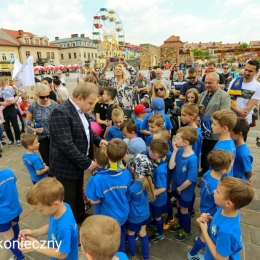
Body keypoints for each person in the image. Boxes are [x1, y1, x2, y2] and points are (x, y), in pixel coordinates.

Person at [49, 82, 107, 224]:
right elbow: (66, 145)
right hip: (66, 166)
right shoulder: (61, 112)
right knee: (68, 199)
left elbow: (88, 132)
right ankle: (71, 225)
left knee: (77, 192)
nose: (91, 107)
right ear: (79, 98)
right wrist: (88, 163)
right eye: (90, 103)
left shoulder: (81, 110)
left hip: (78, 163)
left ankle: (80, 216)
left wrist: (99, 141)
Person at [86, 138, 132, 253]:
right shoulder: (127, 173)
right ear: (124, 157)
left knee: (108, 238)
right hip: (123, 212)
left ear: (106, 153)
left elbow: (92, 200)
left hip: (107, 216)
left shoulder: (97, 179)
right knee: (120, 230)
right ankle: (122, 252)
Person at [187, 150, 234, 260]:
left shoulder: (208, 173)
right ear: (224, 170)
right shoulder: (216, 186)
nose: (232, 167)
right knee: (205, 236)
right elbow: (219, 206)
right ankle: (192, 254)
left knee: (205, 234)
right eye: (231, 165)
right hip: (210, 214)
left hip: (204, 207)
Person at [19, 178, 78, 259]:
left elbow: (62, 254)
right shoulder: (62, 207)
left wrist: (37, 247)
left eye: (40, 210)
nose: (38, 212)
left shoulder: (64, 228)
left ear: (55, 204)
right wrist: (34, 232)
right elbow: (52, 226)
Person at [196, 177, 254, 260]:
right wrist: (209, 219)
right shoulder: (225, 209)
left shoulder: (226, 232)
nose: (214, 191)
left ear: (228, 203)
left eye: (218, 192)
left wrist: (204, 231)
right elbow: (220, 222)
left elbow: (221, 258)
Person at [198, 72, 231, 177]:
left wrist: (207, 121)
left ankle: (209, 173)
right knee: (203, 152)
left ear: (217, 82)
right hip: (203, 131)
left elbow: (224, 114)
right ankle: (203, 170)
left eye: (210, 83)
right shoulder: (203, 94)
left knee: (211, 154)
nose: (207, 85)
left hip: (214, 132)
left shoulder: (224, 96)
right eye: (206, 83)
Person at [168, 127, 198, 241]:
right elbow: (172, 167)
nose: (175, 140)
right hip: (177, 188)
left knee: (184, 210)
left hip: (185, 190)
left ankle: (187, 231)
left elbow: (191, 179)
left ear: (186, 142)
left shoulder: (192, 160)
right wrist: (175, 151)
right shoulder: (179, 151)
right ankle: (181, 223)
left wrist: (180, 188)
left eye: (178, 138)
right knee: (179, 206)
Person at [126, 154, 155, 260]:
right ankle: (146, 256)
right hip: (145, 214)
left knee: (131, 233)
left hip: (134, 217)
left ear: (133, 170)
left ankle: (132, 254)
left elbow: (127, 201)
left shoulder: (131, 188)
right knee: (143, 233)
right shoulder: (148, 182)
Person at [27, 83, 59, 166]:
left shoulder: (54, 104)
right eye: (42, 97)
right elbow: (28, 122)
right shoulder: (33, 106)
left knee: (58, 158)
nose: (45, 99)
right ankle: (50, 177)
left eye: (47, 96)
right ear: (37, 95)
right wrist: (35, 130)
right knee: (47, 161)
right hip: (42, 138)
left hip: (55, 136)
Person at [0, 168, 24, 260]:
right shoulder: (8, 172)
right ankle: (19, 242)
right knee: (14, 225)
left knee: (8, 237)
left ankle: (20, 257)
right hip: (14, 208)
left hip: (2, 216)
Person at [148, 139, 168, 243]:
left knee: (157, 216)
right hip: (155, 197)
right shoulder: (156, 161)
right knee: (155, 215)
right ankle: (155, 223)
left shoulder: (160, 171)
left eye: (150, 150)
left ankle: (160, 233)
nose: (148, 151)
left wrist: (150, 195)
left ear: (155, 155)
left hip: (158, 199)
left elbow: (162, 188)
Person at [228, 60, 260, 127]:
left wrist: (239, 113)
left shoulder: (257, 86)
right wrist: (236, 111)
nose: (247, 72)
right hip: (229, 117)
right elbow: (227, 99)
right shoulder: (234, 81)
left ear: (256, 72)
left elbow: (249, 107)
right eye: (246, 69)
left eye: (250, 71)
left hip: (244, 119)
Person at [211, 109, 237, 177]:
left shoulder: (223, 148)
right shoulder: (230, 141)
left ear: (224, 128)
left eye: (214, 124)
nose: (211, 126)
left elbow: (223, 172)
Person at [230, 117, 253, 182]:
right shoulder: (233, 144)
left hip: (238, 182)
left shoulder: (243, 154)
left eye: (230, 131)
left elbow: (249, 172)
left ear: (239, 134)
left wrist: (246, 179)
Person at [0, 77, 21, 146]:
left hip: (12, 110)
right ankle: (11, 140)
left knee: (15, 125)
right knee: (6, 127)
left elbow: (16, 96)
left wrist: (13, 101)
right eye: (6, 81)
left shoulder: (10, 88)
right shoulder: (0, 90)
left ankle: (18, 139)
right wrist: (3, 103)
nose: (7, 82)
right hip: (4, 112)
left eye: (7, 81)